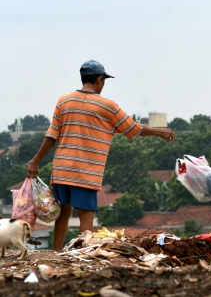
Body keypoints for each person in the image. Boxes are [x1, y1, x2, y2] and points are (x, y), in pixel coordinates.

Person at [26, 60, 176, 251]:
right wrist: (159, 131)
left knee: (64, 211)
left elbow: (51, 134)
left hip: (62, 168)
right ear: (99, 79)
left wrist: (35, 160)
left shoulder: (64, 100)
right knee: (86, 213)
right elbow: (132, 128)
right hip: (86, 171)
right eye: (103, 80)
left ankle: (57, 252)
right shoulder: (108, 106)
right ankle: (83, 251)